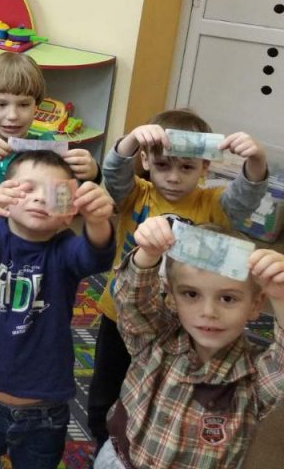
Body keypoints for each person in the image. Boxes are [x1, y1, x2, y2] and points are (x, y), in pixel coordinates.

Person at [87, 108, 269, 448]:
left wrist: (256, 159)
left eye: (186, 168)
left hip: (183, 320)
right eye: (162, 165)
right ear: (146, 161)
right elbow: (114, 175)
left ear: (205, 167)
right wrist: (131, 141)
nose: (173, 177)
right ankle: (103, 442)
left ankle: (155, 442)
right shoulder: (137, 194)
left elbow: (247, 195)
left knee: (165, 387)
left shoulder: (216, 203)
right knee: (106, 387)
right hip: (123, 312)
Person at [0, 151, 116, 469]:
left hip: (43, 411)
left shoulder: (66, 249)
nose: (39, 199)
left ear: (69, 210)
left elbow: (97, 256)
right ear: (5, 195)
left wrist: (96, 220)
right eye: (27, 189)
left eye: (53, 193)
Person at [0, 52, 101, 359]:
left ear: (37, 106)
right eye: (1, 104)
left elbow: (66, 198)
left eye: (24, 104)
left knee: (16, 323)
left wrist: (91, 171)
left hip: (25, 259)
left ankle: (6, 368)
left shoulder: (47, 143)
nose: (12, 116)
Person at [95, 216, 284, 469]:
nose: (209, 312)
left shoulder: (254, 376)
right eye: (191, 294)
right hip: (121, 460)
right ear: (171, 298)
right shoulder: (153, 337)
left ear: (255, 304)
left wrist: (281, 296)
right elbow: (132, 300)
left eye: (228, 298)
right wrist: (147, 254)